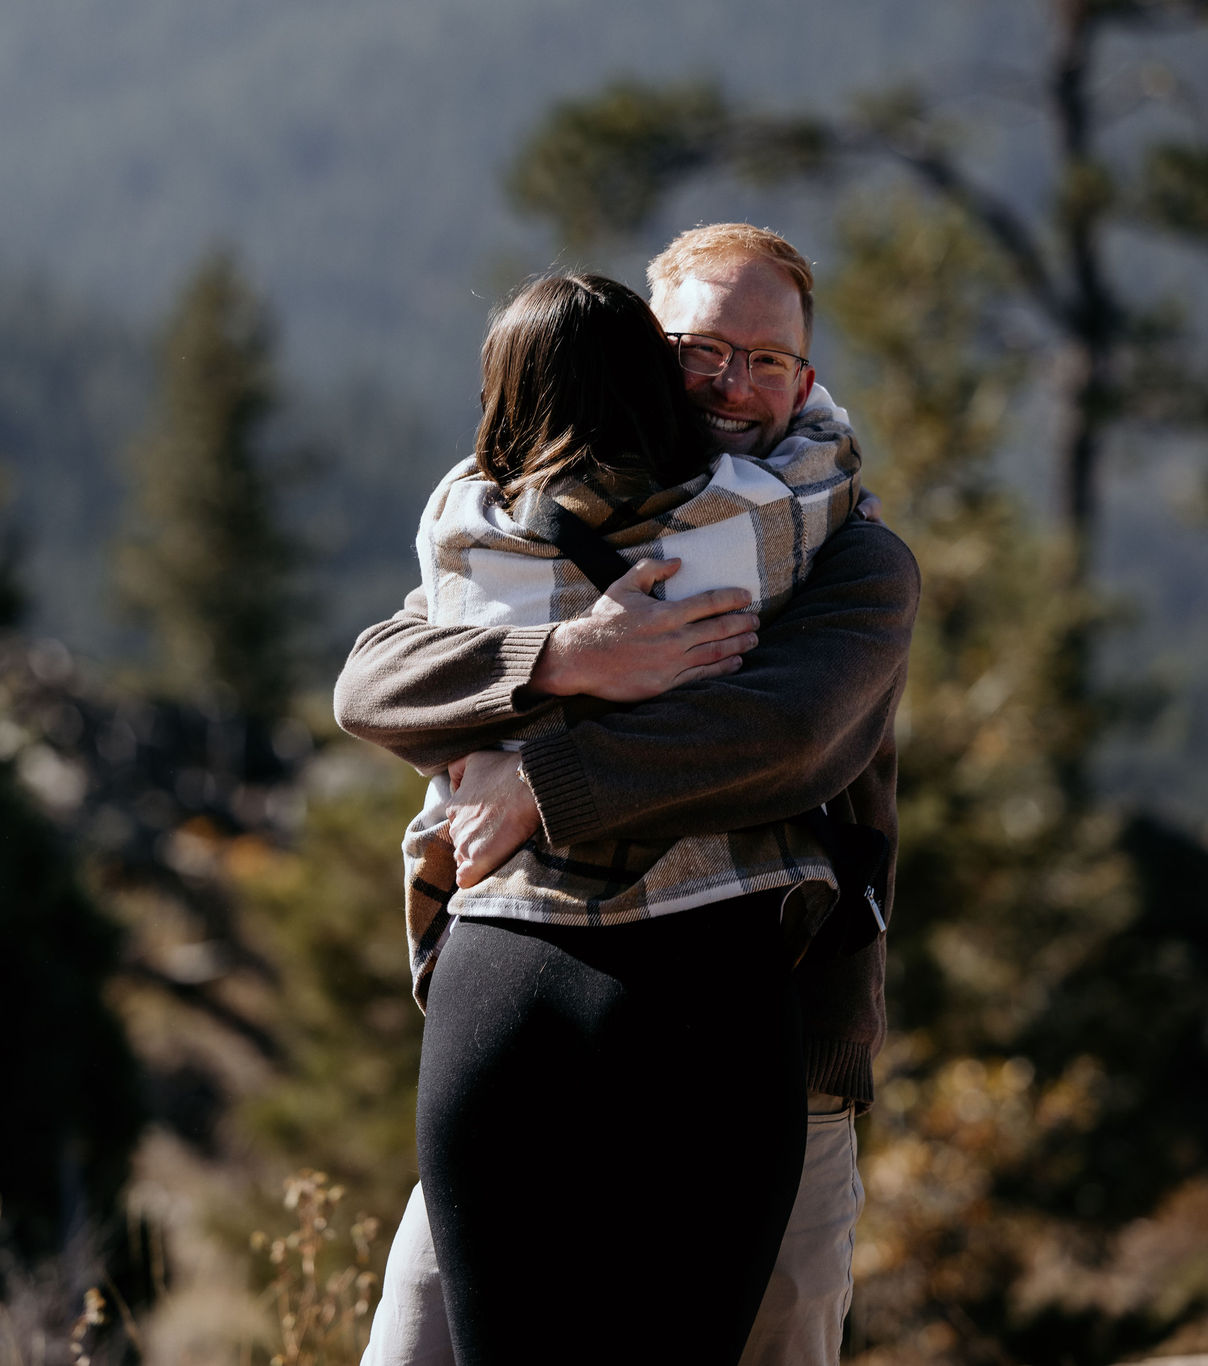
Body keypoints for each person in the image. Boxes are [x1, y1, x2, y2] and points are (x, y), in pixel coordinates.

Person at [336, 223, 918, 1365]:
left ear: (806, 376)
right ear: (646, 348)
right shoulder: (522, 531)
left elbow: (781, 737)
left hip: (776, 1042)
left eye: (768, 361)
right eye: (704, 349)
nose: (733, 385)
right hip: (529, 996)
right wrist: (569, 657)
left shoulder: (847, 552)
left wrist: (536, 785)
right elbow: (372, 680)